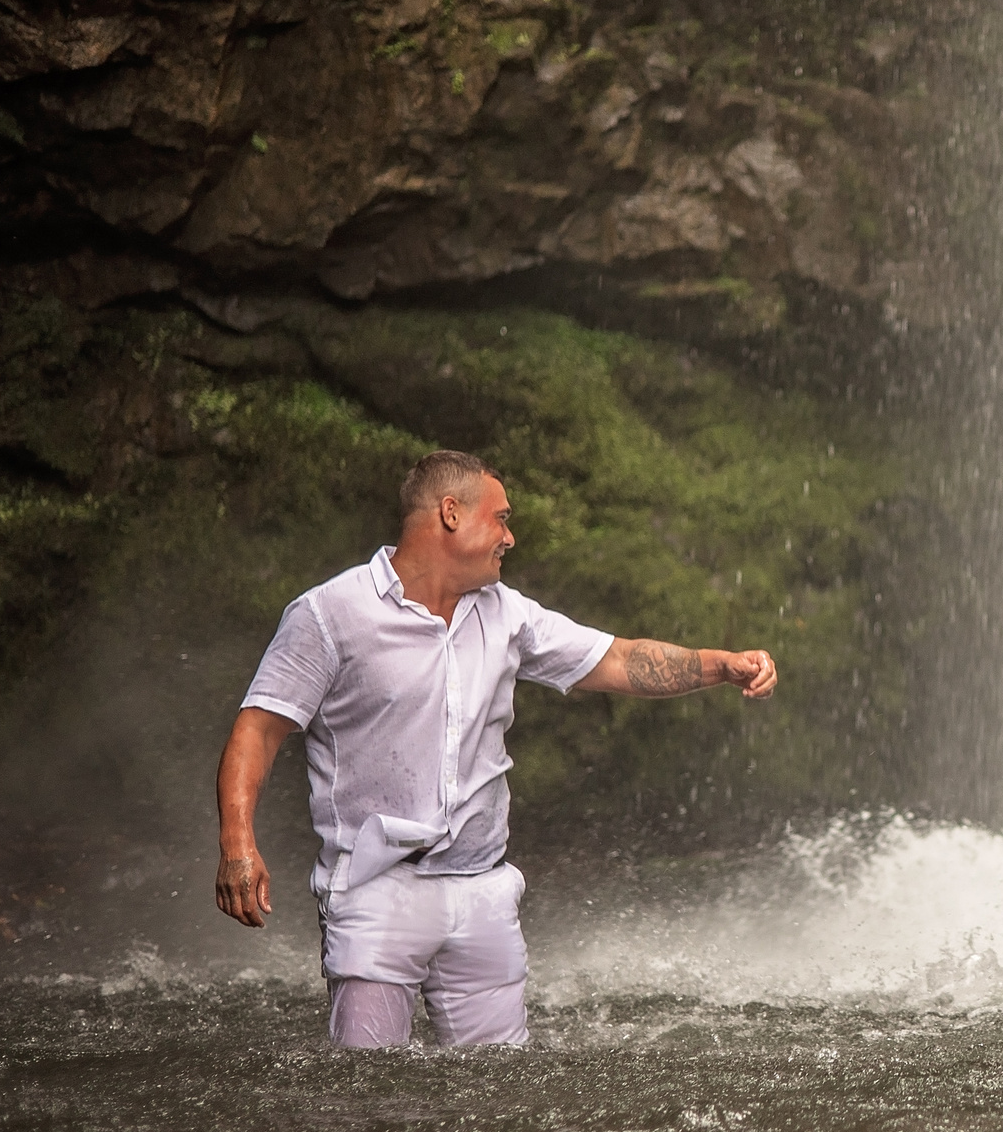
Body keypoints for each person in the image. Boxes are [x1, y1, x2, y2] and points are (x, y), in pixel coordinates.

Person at [212, 449, 777, 1048]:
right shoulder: (330, 614)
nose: (509, 537)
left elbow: (618, 658)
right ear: (450, 514)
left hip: (482, 887)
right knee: (366, 1093)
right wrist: (237, 844)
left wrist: (721, 665)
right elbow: (258, 729)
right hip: (375, 888)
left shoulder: (508, 615)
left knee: (498, 1094)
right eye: (501, 518)